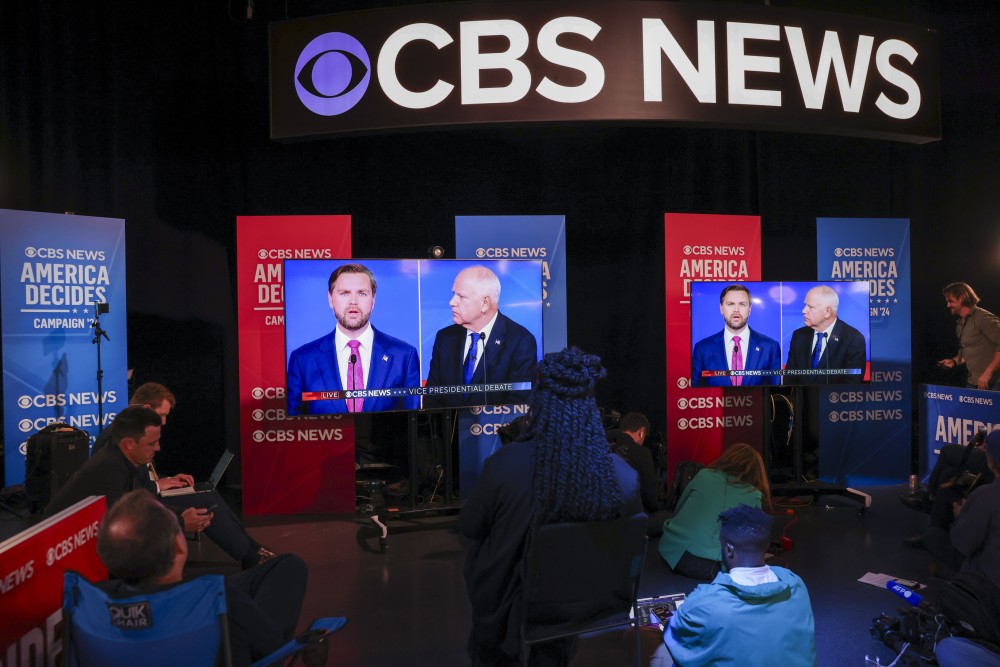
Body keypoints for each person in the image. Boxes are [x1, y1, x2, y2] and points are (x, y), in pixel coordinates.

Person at [459, 347, 642, 666]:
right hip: (585, 605)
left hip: (513, 608)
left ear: (538, 403)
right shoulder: (622, 476)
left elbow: (471, 527)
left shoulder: (505, 466)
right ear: (590, 406)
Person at [48, 405, 275, 569]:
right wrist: (180, 521)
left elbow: (140, 500)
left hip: (97, 529)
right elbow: (125, 518)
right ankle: (254, 559)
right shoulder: (110, 467)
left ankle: (253, 554)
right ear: (129, 444)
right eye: (152, 443)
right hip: (64, 546)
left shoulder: (129, 456)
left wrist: (180, 516)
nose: (157, 448)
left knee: (203, 500)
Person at [96, 490, 308, 665]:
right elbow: (272, 646)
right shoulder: (217, 597)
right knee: (290, 568)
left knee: (286, 566)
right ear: (179, 547)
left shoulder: (93, 602)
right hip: (214, 640)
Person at [644, 505, 816, 667]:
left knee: (642, 638)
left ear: (729, 550)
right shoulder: (795, 583)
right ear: (766, 546)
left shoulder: (705, 602)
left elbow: (674, 633)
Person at [287, 263, 421, 414]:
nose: (353, 301)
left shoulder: (404, 355)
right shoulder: (303, 359)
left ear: (373, 300)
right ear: (330, 299)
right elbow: (295, 424)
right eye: (344, 293)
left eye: (362, 293)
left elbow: (412, 419)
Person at [424, 265, 538, 408]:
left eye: (461, 296)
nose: (452, 302)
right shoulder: (445, 338)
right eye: (454, 294)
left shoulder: (520, 341)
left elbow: (519, 405)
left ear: (485, 303)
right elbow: (432, 398)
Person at [658, 443, 770, 580]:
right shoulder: (753, 494)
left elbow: (679, 509)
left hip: (673, 554)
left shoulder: (703, 475)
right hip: (711, 567)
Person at [691, 284, 781, 387]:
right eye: (730, 304)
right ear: (721, 308)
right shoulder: (702, 348)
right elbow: (696, 392)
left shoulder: (770, 347)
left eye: (742, 304)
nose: (736, 310)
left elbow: (775, 391)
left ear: (750, 309)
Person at [784, 284, 867, 384]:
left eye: (810, 307)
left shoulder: (853, 339)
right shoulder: (799, 336)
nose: (804, 311)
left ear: (827, 312)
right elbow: (790, 378)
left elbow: (852, 384)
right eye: (805, 305)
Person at [936, 282, 1000, 390]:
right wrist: (954, 361)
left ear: (961, 298)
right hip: (974, 382)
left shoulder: (982, 317)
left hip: (994, 383)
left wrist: (988, 372)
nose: (948, 305)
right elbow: (969, 351)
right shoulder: (961, 324)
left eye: (950, 301)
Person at [609, 412, 660, 513]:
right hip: (628, 516)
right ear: (642, 431)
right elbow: (651, 499)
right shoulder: (642, 453)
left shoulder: (602, 446)